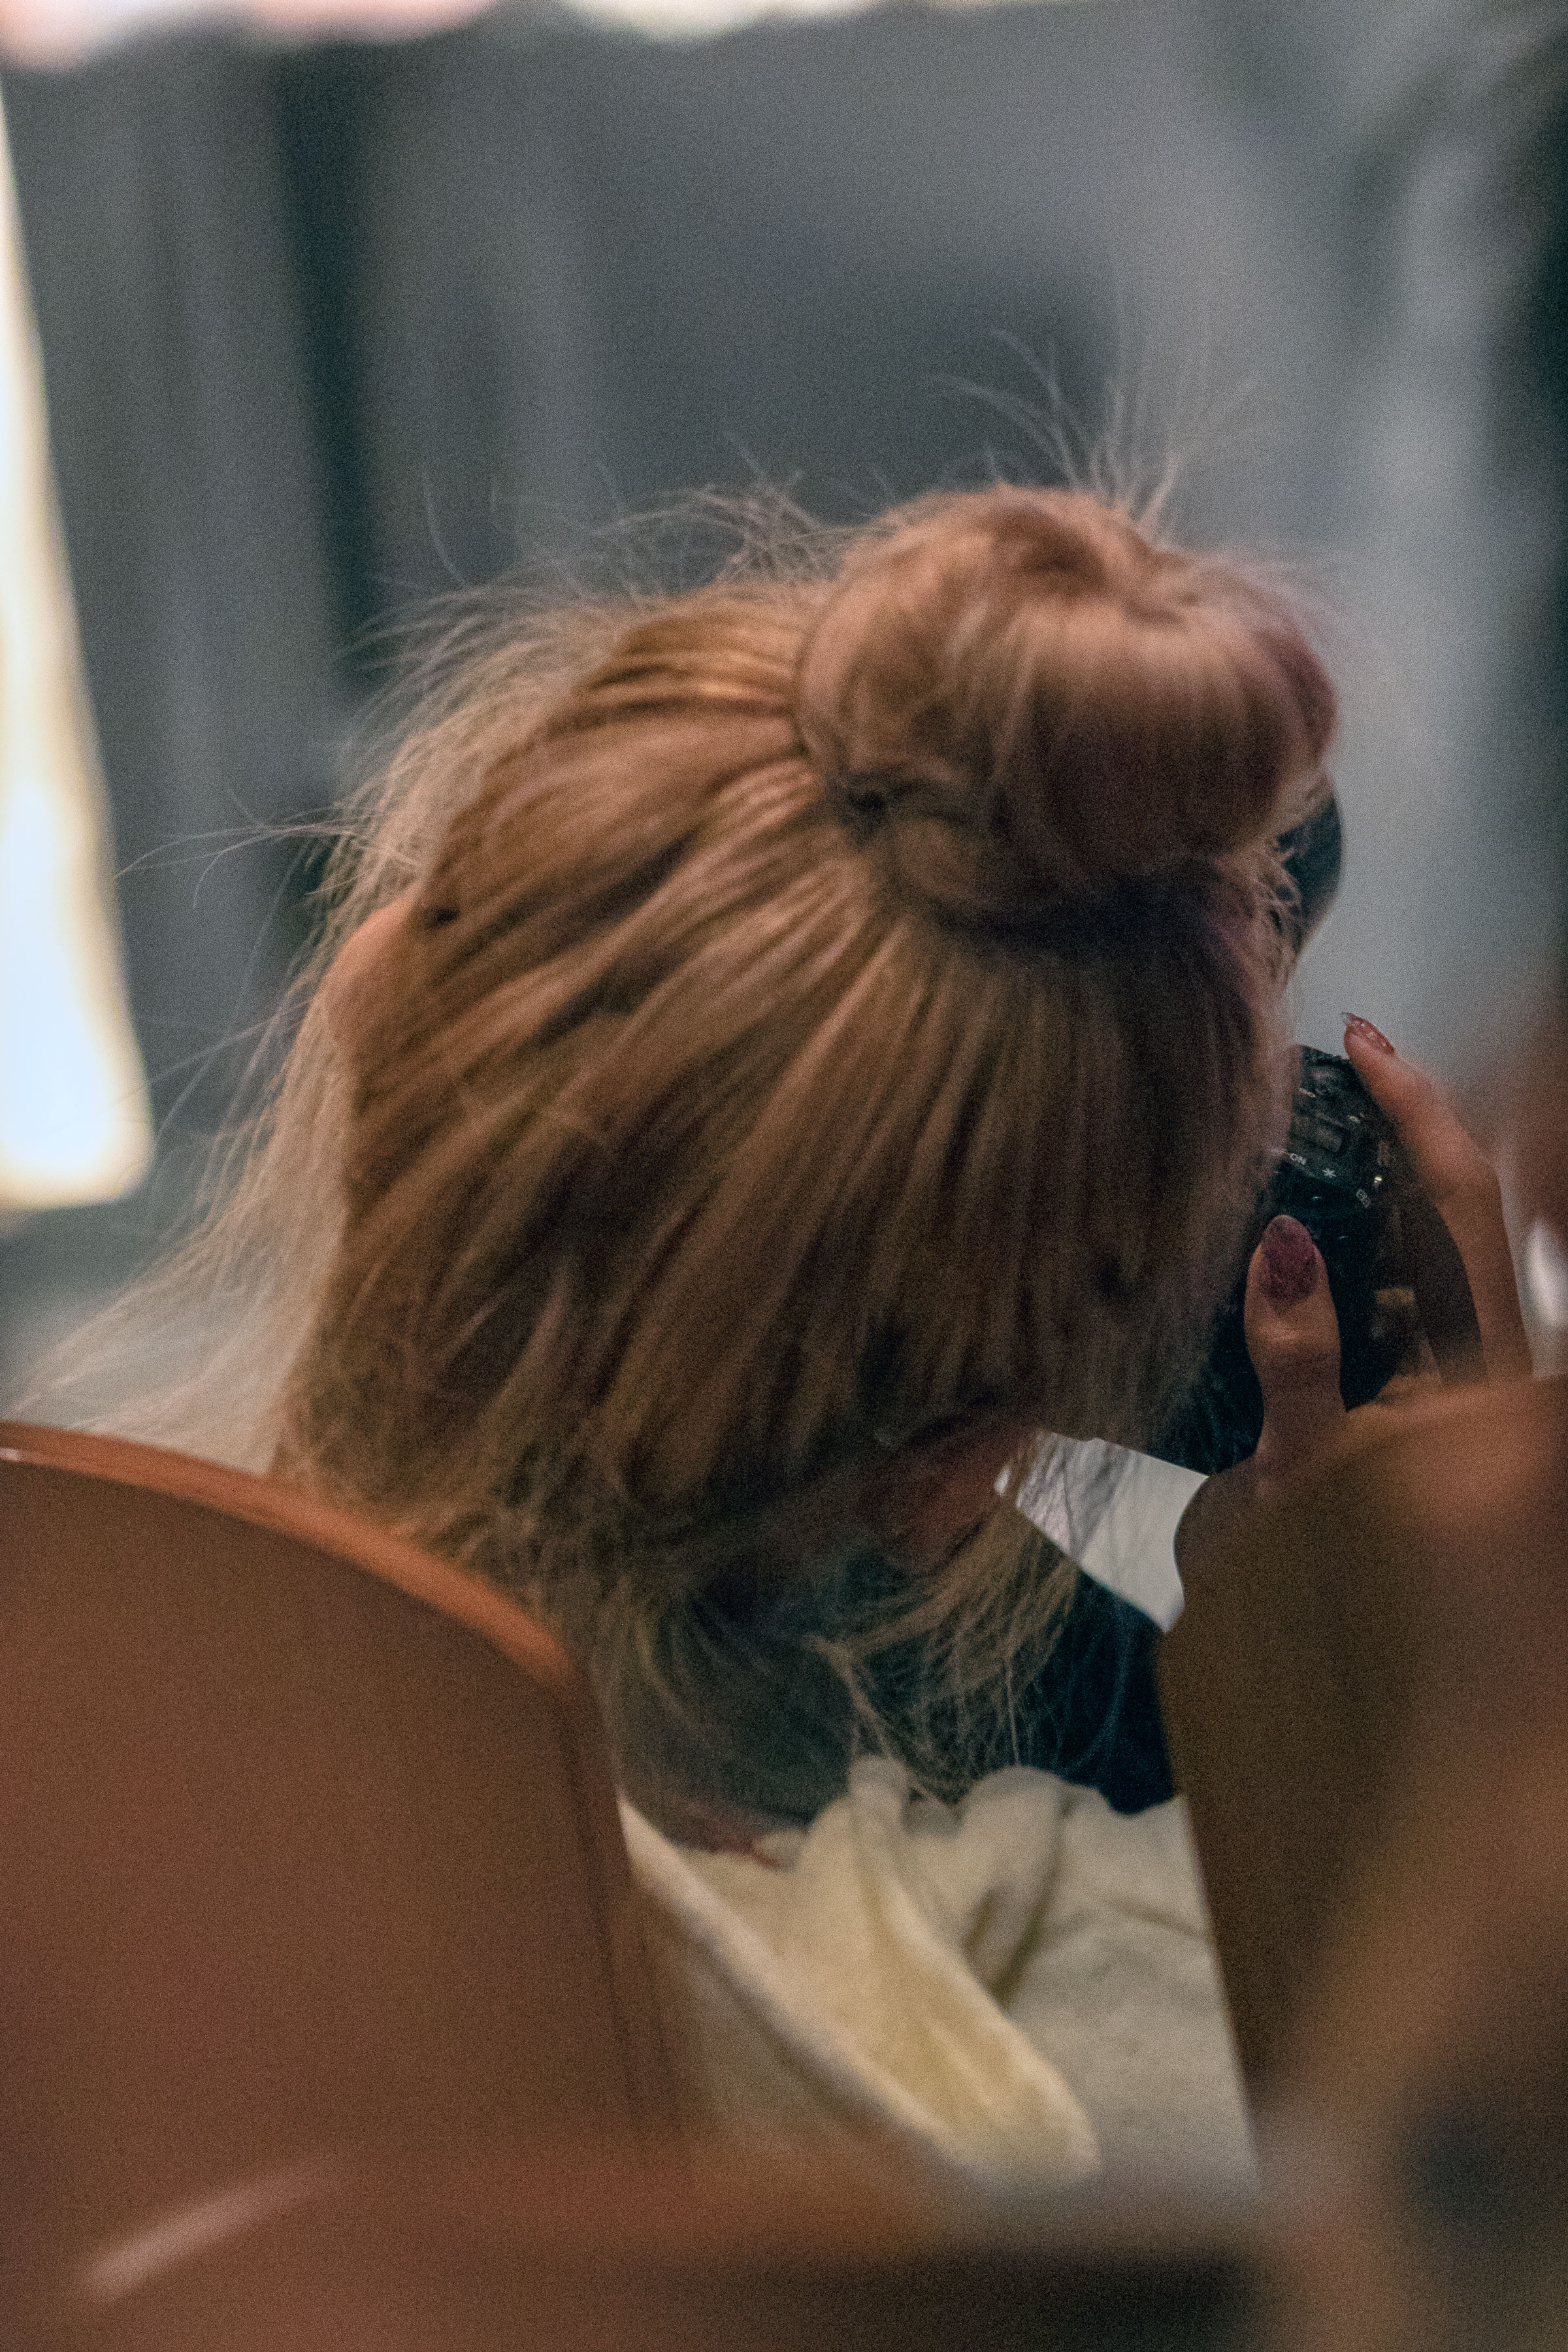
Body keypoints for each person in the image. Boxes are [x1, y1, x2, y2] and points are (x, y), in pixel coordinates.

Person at [99, 482, 1522, 2183]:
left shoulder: (97, 1815)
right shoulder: (1111, 2051)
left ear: (374, 999)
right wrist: (1401, 1671)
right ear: (947, 1474)